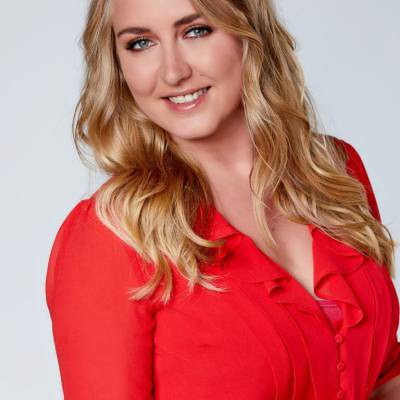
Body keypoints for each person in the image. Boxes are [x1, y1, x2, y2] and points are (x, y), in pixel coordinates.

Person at [45, 0, 400, 398]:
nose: (173, 72)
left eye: (196, 31)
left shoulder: (332, 171)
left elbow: (383, 372)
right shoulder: (112, 234)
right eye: (141, 43)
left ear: (249, 31)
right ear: (118, 64)